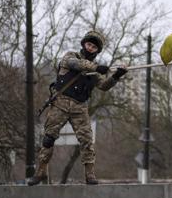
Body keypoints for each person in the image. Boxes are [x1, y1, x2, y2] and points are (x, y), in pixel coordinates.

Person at [27, 30, 127, 186]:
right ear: (83, 44)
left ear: (97, 50)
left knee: (87, 140)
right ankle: (40, 172)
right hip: (60, 103)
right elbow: (77, 65)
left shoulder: (94, 72)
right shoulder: (70, 56)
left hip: (79, 108)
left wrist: (116, 76)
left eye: (94, 47)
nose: (90, 48)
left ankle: (90, 174)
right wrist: (96, 66)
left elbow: (104, 85)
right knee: (48, 138)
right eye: (88, 44)